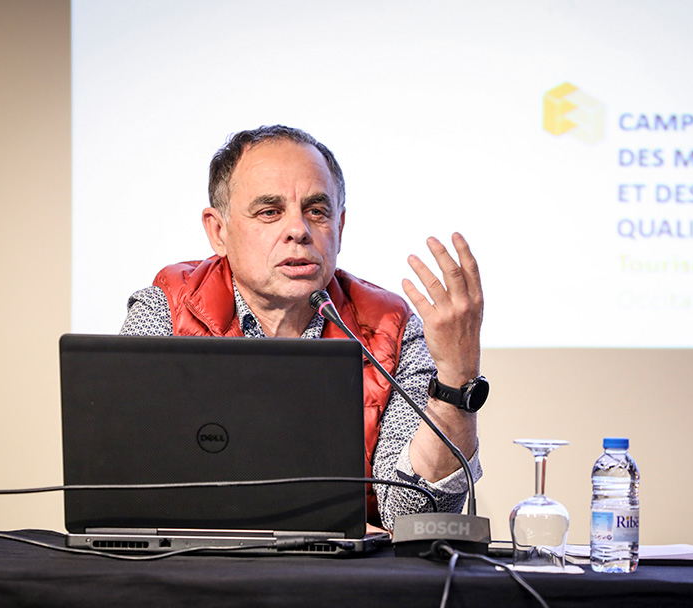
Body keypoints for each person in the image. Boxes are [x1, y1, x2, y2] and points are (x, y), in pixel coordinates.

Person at [120, 125, 485, 530]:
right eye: (269, 212)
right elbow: (126, 486)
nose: (299, 230)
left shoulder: (391, 328)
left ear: (340, 228)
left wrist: (456, 377)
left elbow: (415, 516)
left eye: (317, 210)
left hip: (340, 581)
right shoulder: (166, 311)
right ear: (218, 231)